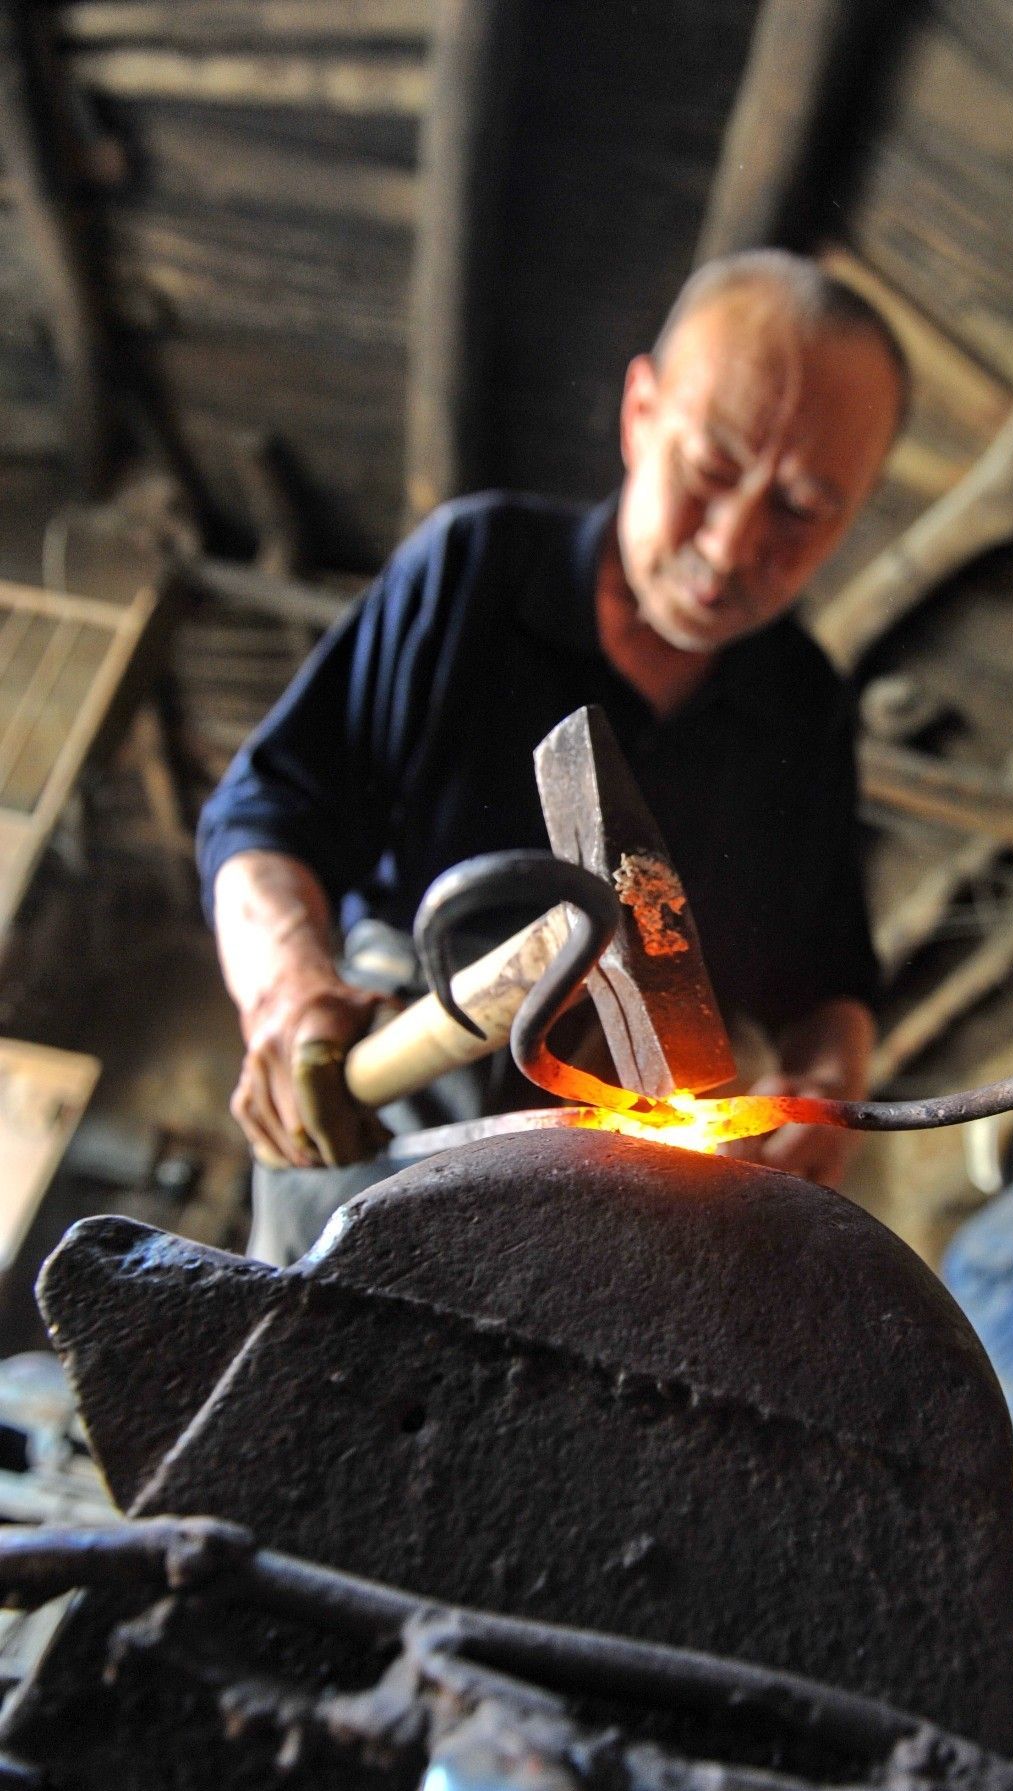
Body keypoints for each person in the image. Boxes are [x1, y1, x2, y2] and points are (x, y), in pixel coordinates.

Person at [197, 250, 908, 1263]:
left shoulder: (805, 706)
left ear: (855, 509)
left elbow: (830, 978)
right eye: (709, 469)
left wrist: (825, 1091)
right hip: (393, 1086)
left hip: (621, 1181)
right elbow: (264, 816)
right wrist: (291, 993)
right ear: (639, 415)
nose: (731, 542)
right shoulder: (473, 570)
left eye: (799, 509)